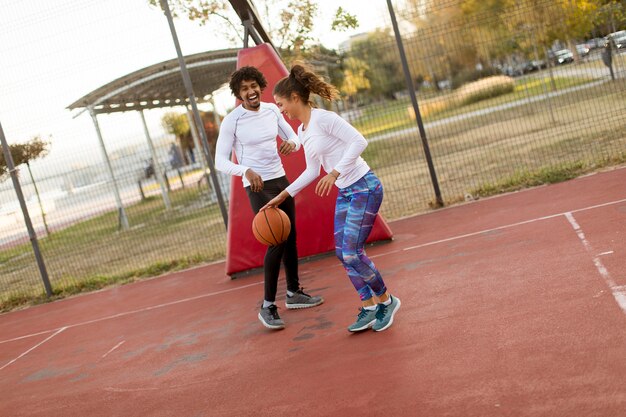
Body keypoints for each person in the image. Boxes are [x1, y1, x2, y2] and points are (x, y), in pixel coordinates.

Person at [261, 64, 401, 332]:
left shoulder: (323, 118)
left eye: (281, 104)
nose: (281, 111)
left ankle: (387, 300)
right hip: (348, 190)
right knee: (342, 253)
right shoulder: (303, 131)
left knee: (352, 252)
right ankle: (370, 307)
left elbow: (359, 141)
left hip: (364, 186)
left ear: (294, 97)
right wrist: (282, 195)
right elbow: (313, 170)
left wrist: (335, 172)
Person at [215, 66, 323, 330]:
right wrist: (245, 170)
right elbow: (218, 161)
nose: (250, 92)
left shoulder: (273, 110)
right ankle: (267, 306)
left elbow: (293, 137)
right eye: (244, 89)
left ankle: (294, 293)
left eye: (253, 86)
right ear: (238, 94)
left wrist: (293, 144)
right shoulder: (232, 121)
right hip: (257, 186)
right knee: (275, 239)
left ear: (260, 87)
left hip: (280, 179)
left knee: (290, 235)